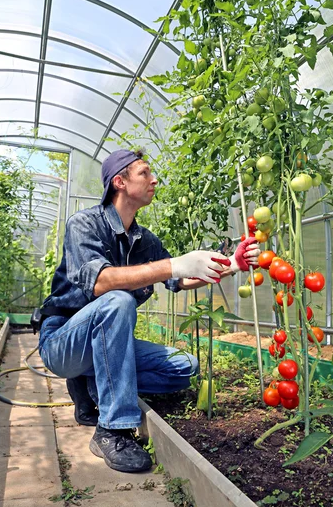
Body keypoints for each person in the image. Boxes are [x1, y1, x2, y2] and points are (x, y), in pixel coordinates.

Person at [38, 149, 260, 473]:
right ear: (120, 182)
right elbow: (101, 282)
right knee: (119, 299)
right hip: (63, 341)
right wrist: (171, 265)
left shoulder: (146, 241)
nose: (154, 179)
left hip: (103, 346)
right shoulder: (84, 224)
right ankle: (112, 430)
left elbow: (180, 280)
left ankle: (92, 385)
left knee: (185, 366)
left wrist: (232, 266)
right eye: (144, 173)